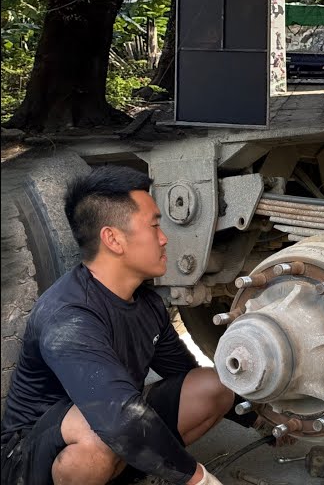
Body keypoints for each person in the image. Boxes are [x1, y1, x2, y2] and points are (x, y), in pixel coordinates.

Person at [1, 166, 234, 485]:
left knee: (212, 385)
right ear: (113, 239)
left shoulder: (147, 303)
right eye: (154, 225)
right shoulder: (68, 316)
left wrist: (258, 418)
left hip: (108, 429)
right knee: (100, 430)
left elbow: (181, 372)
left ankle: (124, 471)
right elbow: (115, 416)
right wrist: (197, 478)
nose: (164, 238)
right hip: (30, 459)